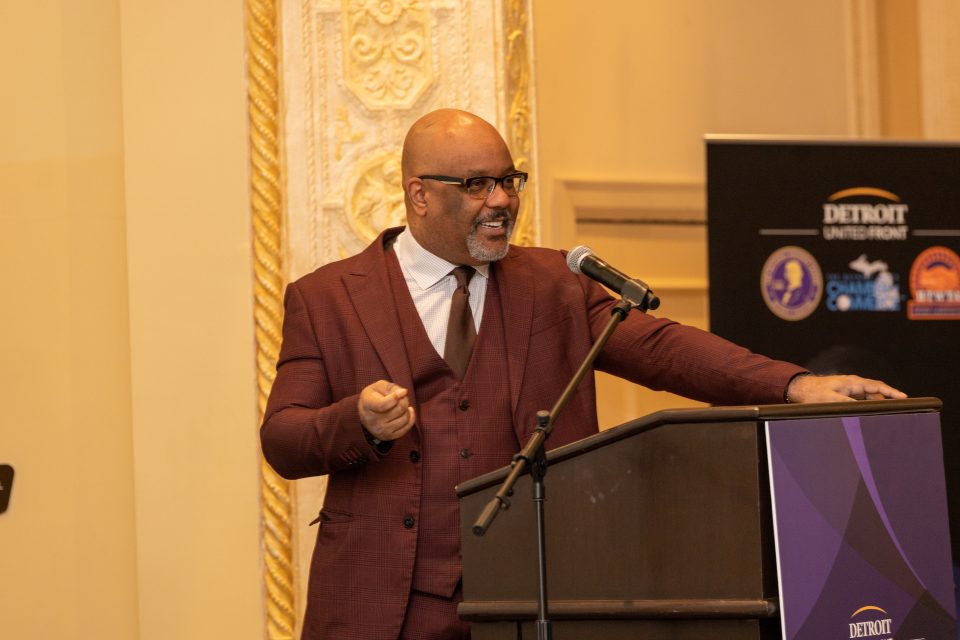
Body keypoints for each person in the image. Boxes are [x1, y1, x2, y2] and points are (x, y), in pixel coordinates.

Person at [260, 109, 905, 640]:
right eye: (478, 185)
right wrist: (359, 422)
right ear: (419, 194)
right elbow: (284, 439)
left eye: (510, 181)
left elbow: (664, 348)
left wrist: (794, 386)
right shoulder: (328, 298)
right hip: (385, 604)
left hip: (536, 597)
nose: (502, 201)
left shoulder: (556, 285)